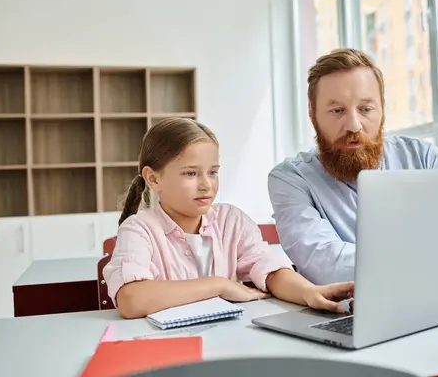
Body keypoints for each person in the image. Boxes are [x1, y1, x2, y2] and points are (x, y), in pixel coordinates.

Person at [268, 48, 438, 287]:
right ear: (313, 114)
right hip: (345, 315)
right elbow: (326, 266)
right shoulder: (290, 179)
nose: (354, 125)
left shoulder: (423, 158)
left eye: (366, 109)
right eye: (337, 110)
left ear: (382, 109)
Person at [103, 118, 354, 319]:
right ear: (153, 179)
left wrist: (309, 292)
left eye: (213, 172)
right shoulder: (138, 229)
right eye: (191, 173)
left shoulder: (231, 220)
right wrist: (218, 285)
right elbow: (131, 299)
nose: (206, 185)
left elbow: (270, 271)